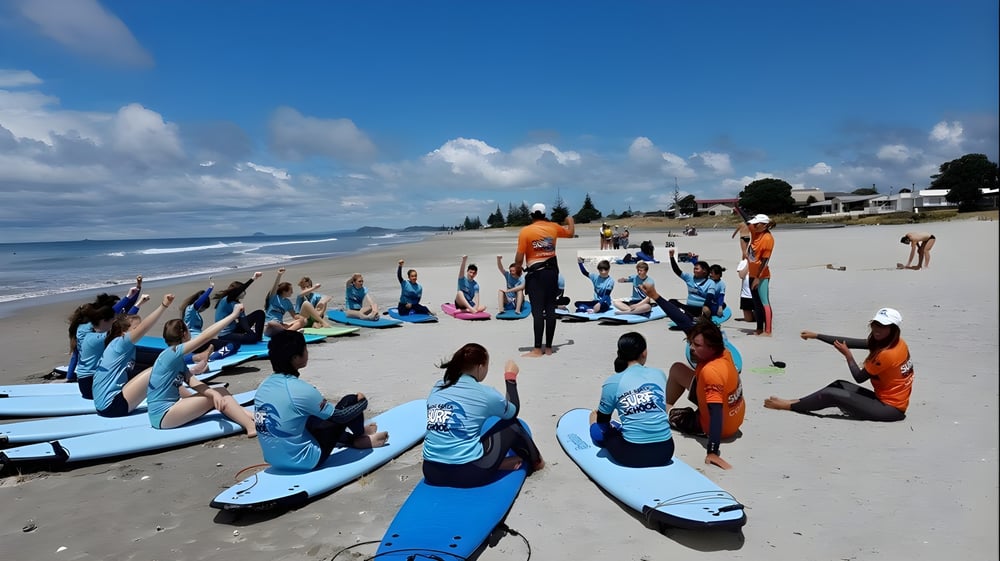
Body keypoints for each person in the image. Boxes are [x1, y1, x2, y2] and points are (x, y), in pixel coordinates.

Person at [642, 283, 745, 470]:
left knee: (671, 414)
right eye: (691, 343)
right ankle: (666, 405)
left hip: (721, 427)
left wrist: (712, 451)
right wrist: (655, 295)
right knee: (677, 369)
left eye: (697, 346)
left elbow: (715, 413)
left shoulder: (711, 372)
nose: (691, 348)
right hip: (735, 415)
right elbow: (682, 320)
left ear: (710, 348)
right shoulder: (722, 350)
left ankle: (668, 411)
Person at [253, 330, 388, 471]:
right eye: (305, 349)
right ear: (295, 358)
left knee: (306, 414)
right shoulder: (300, 389)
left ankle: (351, 438)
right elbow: (341, 417)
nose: (307, 352)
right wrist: (362, 403)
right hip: (306, 461)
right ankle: (360, 436)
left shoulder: (263, 386)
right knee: (350, 401)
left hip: (273, 460)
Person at [422, 343, 544, 487]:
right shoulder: (485, 393)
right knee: (511, 425)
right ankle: (537, 463)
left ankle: (498, 464)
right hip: (468, 474)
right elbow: (513, 411)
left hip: (431, 472)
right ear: (480, 367)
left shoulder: (438, 386)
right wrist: (510, 376)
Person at [764, 308, 913, 421]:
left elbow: (859, 377)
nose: (877, 329)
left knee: (831, 394)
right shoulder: (897, 343)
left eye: (883, 326)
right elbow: (851, 342)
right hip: (886, 402)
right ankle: (796, 402)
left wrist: (848, 355)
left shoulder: (887, 354)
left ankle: (788, 406)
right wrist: (817, 336)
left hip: (889, 410)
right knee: (839, 384)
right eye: (876, 324)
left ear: (893, 329)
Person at [146, 305, 257, 435]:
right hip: (164, 415)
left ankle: (250, 416)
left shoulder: (176, 359)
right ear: (184, 334)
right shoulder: (172, 353)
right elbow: (205, 336)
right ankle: (251, 427)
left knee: (218, 392)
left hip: (164, 416)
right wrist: (234, 315)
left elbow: (193, 383)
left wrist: (213, 393)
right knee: (219, 392)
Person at [589, 332, 674, 468]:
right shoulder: (659, 374)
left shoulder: (612, 382)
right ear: (644, 353)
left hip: (632, 455)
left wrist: (595, 421)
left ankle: (593, 421)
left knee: (598, 428)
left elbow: (603, 423)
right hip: (666, 451)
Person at [92, 294, 175, 418]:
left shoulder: (119, 345)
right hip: (113, 406)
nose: (139, 332)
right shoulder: (121, 343)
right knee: (162, 367)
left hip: (104, 405)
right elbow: (145, 327)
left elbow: (123, 320)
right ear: (123, 331)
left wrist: (139, 304)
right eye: (136, 328)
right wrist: (164, 306)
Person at [515, 203, 575, 357]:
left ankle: (537, 349)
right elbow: (570, 233)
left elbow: (519, 257)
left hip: (536, 275)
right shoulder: (553, 227)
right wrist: (570, 220)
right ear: (544, 214)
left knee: (537, 312)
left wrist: (518, 268)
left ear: (531, 215)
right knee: (550, 310)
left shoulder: (526, 231)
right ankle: (548, 348)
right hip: (552, 274)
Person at [178, 280, 239, 363]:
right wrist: (210, 289)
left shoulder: (191, 313)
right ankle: (214, 357)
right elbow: (198, 303)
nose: (202, 310)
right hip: (198, 342)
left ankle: (206, 353)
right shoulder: (190, 310)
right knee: (233, 344)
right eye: (203, 307)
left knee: (218, 344)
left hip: (196, 343)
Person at [213, 272, 267, 344]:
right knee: (253, 338)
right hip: (225, 335)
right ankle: (254, 338)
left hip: (234, 329)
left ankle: (258, 337)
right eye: (243, 291)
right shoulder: (227, 300)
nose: (244, 292)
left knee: (259, 313)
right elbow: (238, 290)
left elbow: (243, 322)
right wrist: (253, 278)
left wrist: (250, 332)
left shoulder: (237, 304)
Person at [666, 248, 719, 320]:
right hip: (689, 308)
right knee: (672, 302)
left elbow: (710, 297)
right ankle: (688, 316)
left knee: (706, 309)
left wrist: (706, 306)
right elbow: (677, 271)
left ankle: (690, 317)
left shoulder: (710, 282)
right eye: (694, 269)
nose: (694, 270)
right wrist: (671, 257)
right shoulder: (689, 278)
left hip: (700, 309)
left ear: (704, 271)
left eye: (696, 269)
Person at [746, 213, 775, 336]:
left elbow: (765, 260)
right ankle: (759, 328)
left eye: (756, 224)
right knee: (756, 303)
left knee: (764, 302)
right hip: (752, 273)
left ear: (764, 225)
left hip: (762, 275)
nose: (754, 226)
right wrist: (736, 207)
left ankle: (768, 330)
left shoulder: (768, 239)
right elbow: (746, 220)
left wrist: (758, 278)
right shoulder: (755, 232)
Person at [263, 268, 307, 336]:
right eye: (290, 290)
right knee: (272, 323)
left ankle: (285, 333)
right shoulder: (274, 297)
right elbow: (275, 286)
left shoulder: (288, 302)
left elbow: (294, 315)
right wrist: (279, 275)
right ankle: (289, 332)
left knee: (303, 321)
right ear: (284, 291)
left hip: (280, 325)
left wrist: (302, 318)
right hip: (268, 326)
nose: (292, 292)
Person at [735, 248, 755, 322]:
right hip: (745, 295)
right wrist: (748, 264)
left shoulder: (759, 262)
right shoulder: (743, 262)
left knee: (759, 317)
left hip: (756, 293)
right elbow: (741, 275)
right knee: (748, 319)